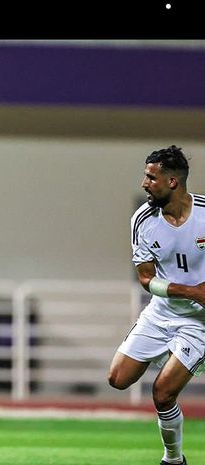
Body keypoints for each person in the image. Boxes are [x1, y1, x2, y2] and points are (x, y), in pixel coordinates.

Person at [108, 145, 205, 465]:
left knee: (163, 392)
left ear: (173, 182)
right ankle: (176, 351)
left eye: (151, 177)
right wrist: (190, 291)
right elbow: (146, 278)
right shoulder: (143, 220)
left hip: (200, 322)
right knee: (118, 379)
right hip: (162, 312)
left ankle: (173, 459)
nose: (144, 183)